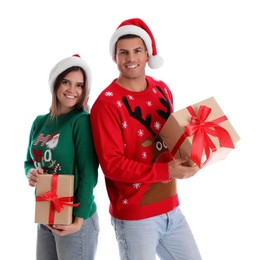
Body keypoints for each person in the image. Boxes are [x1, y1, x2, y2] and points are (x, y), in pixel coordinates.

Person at [90, 18, 202, 260]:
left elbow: (171, 137)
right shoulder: (107, 104)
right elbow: (111, 165)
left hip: (171, 207)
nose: (131, 59)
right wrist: (167, 171)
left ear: (148, 54)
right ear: (115, 57)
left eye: (137, 51)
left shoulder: (162, 89)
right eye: (124, 52)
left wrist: (193, 154)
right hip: (135, 215)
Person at [24, 54, 99, 260]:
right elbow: (29, 161)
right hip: (46, 213)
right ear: (56, 83)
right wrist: (31, 173)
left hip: (75, 217)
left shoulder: (81, 121)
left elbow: (89, 173)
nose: (72, 90)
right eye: (66, 82)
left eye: (79, 85)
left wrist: (78, 220)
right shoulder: (40, 122)